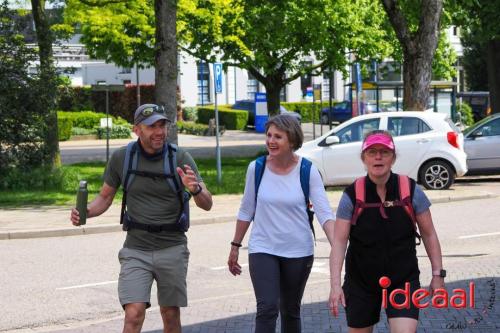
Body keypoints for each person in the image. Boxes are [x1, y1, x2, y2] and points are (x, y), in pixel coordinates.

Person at [70, 104, 213, 333]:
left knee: (170, 313)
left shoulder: (180, 158)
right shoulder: (122, 158)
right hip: (136, 248)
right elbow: (105, 198)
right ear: (136, 130)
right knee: (134, 313)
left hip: (172, 247)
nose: (159, 132)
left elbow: (207, 203)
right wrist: (85, 212)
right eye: (151, 127)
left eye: (162, 125)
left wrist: (195, 190)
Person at [227, 114, 335, 333]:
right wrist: (235, 246)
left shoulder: (307, 170)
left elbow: (324, 213)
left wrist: (339, 248)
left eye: (278, 137)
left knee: (290, 311)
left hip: (299, 251)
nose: (271, 141)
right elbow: (247, 209)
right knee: (267, 308)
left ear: (292, 141)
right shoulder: (256, 169)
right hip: (263, 248)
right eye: (268, 135)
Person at [329, 130, 445, 333]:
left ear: (393, 158)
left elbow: (429, 234)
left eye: (384, 152)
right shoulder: (352, 195)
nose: (378, 156)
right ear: (363, 158)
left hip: (403, 279)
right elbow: (339, 243)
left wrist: (438, 275)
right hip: (361, 282)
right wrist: (335, 285)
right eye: (372, 151)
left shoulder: (410, 190)